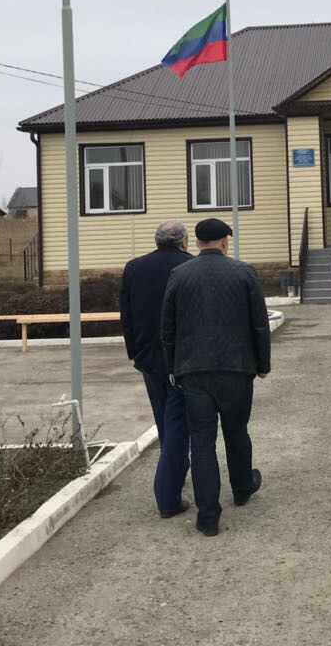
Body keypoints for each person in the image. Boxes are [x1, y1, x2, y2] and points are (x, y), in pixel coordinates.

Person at [161, 218, 271, 537]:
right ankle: (242, 487)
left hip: (194, 371)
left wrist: (173, 367)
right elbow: (259, 324)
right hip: (237, 368)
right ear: (225, 242)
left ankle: (208, 517)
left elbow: (168, 327)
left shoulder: (179, 274)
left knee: (202, 441)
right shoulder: (244, 272)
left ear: (196, 243)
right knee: (236, 431)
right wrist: (262, 364)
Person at [119, 220, 194, 519]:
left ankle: (175, 471)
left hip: (148, 358)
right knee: (178, 425)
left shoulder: (134, 268)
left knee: (164, 420)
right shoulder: (190, 266)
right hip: (182, 359)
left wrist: (134, 353)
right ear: (183, 242)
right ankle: (168, 495)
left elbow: (126, 314)